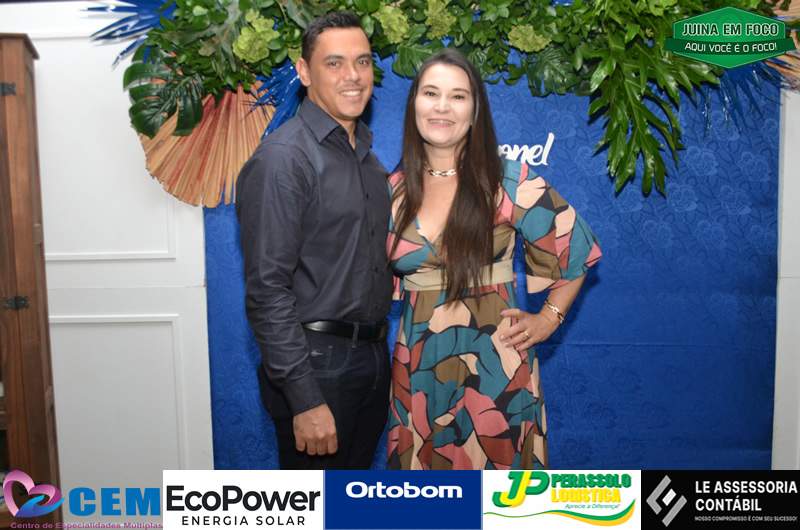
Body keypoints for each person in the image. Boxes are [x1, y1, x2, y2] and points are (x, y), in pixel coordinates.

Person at [386, 49, 602, 470]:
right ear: (413, 105)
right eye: (431, 93)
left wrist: (548, 318)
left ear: (475, 110)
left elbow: (576, 249)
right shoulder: (391, 191)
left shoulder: (507, 180)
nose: (442, 106)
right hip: (418, 375)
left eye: (458, 96)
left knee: (503, 497)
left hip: (497, 376)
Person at [236, 12, 392, 469]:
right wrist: (304, 398)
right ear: (304, 72)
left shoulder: (368, 160)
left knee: (350, 499)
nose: (353, 76)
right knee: (316, 502)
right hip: (316, 366)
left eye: (362, 62)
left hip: (372, 358)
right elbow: (267, 290)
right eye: (334, 63)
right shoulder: (284, 159)